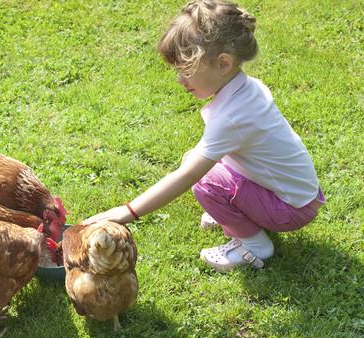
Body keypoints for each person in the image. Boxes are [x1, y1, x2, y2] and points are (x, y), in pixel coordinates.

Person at [82, 0, 324, 272]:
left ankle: (254, 244)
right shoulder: (246, 88)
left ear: (223, 63)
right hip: (300, 194)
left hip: (289, 209)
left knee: (206, 182)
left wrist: (127, 212)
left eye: (186, 70)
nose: (180, 80)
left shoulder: (232, 117)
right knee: (195, 160)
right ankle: (237, 213)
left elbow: (188, 176)